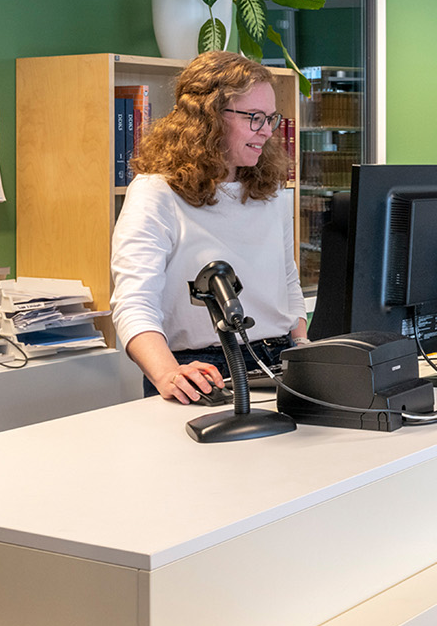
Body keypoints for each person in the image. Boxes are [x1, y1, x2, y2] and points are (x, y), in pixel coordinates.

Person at [110, 51, 307, 402]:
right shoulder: (157, 192)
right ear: (209, 117)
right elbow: (133, 302)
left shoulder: (271, 191)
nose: (267, 131)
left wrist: (303, 346)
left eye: (270, 118)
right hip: (201, 369)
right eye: (254, 118)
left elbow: (287, 281)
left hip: (281, 357)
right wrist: (167, 374)